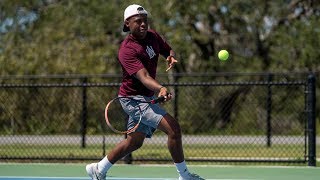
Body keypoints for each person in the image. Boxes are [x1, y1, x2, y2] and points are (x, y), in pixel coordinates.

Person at [86, 4, 204, 180]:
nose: (143, 24)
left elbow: (166, 49)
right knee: (173, 129)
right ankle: (184, 176)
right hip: (132, 99)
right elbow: (144, 76)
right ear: (127, 24)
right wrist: (161, 88)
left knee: (134, 141)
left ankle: (98, 169)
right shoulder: (127, 50)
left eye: (145, 21)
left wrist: (170, 56)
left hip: (146, 98)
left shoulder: (153, 36)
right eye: (138, 21)